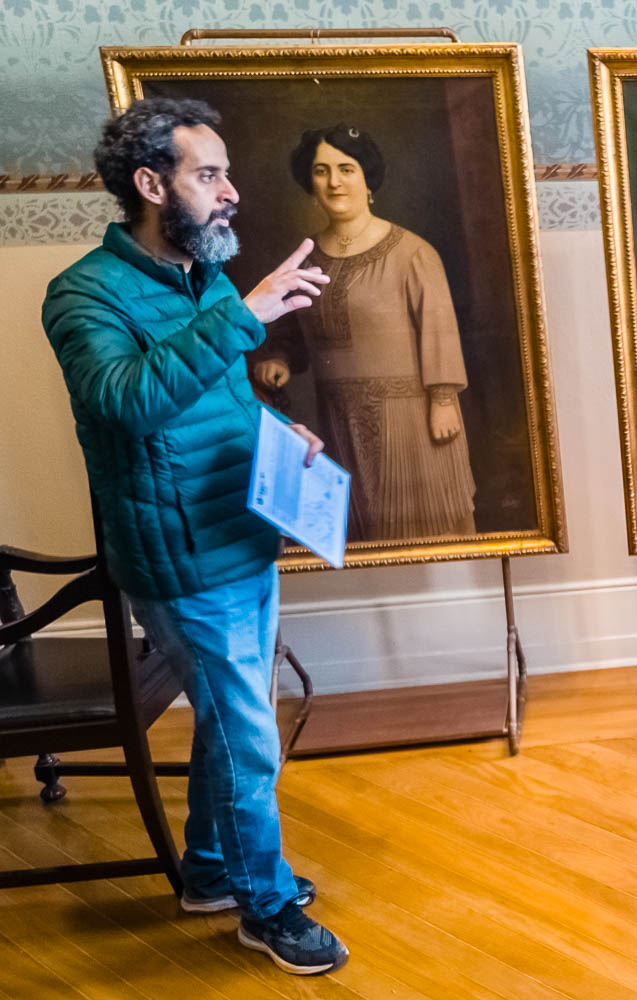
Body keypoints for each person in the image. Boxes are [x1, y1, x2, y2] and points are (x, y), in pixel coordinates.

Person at [41, 98, 348, 974]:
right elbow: (127, 403)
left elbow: (221, 398)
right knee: (248, 733)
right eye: (209, 174)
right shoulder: (83, 295)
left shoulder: (205, 278)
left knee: (229, 721)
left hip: (244, 532)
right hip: (178, 558)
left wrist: (276, 431)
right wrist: (244, 313)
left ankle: (213, 872)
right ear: (151, 184)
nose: (230, 191)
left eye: (226, 173)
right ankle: (265, 906)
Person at [252, 124, 477, 541]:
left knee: (420, 531)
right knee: (360, 531)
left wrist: (444, 399)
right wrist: (279, 357)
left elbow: (439, 329)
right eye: (321, 171)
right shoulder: (305, 258)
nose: (334, 182)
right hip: (337, 419)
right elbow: (292, 325)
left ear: (367, 178)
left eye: (346, 169)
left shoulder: (413, 252)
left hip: (410, 418)